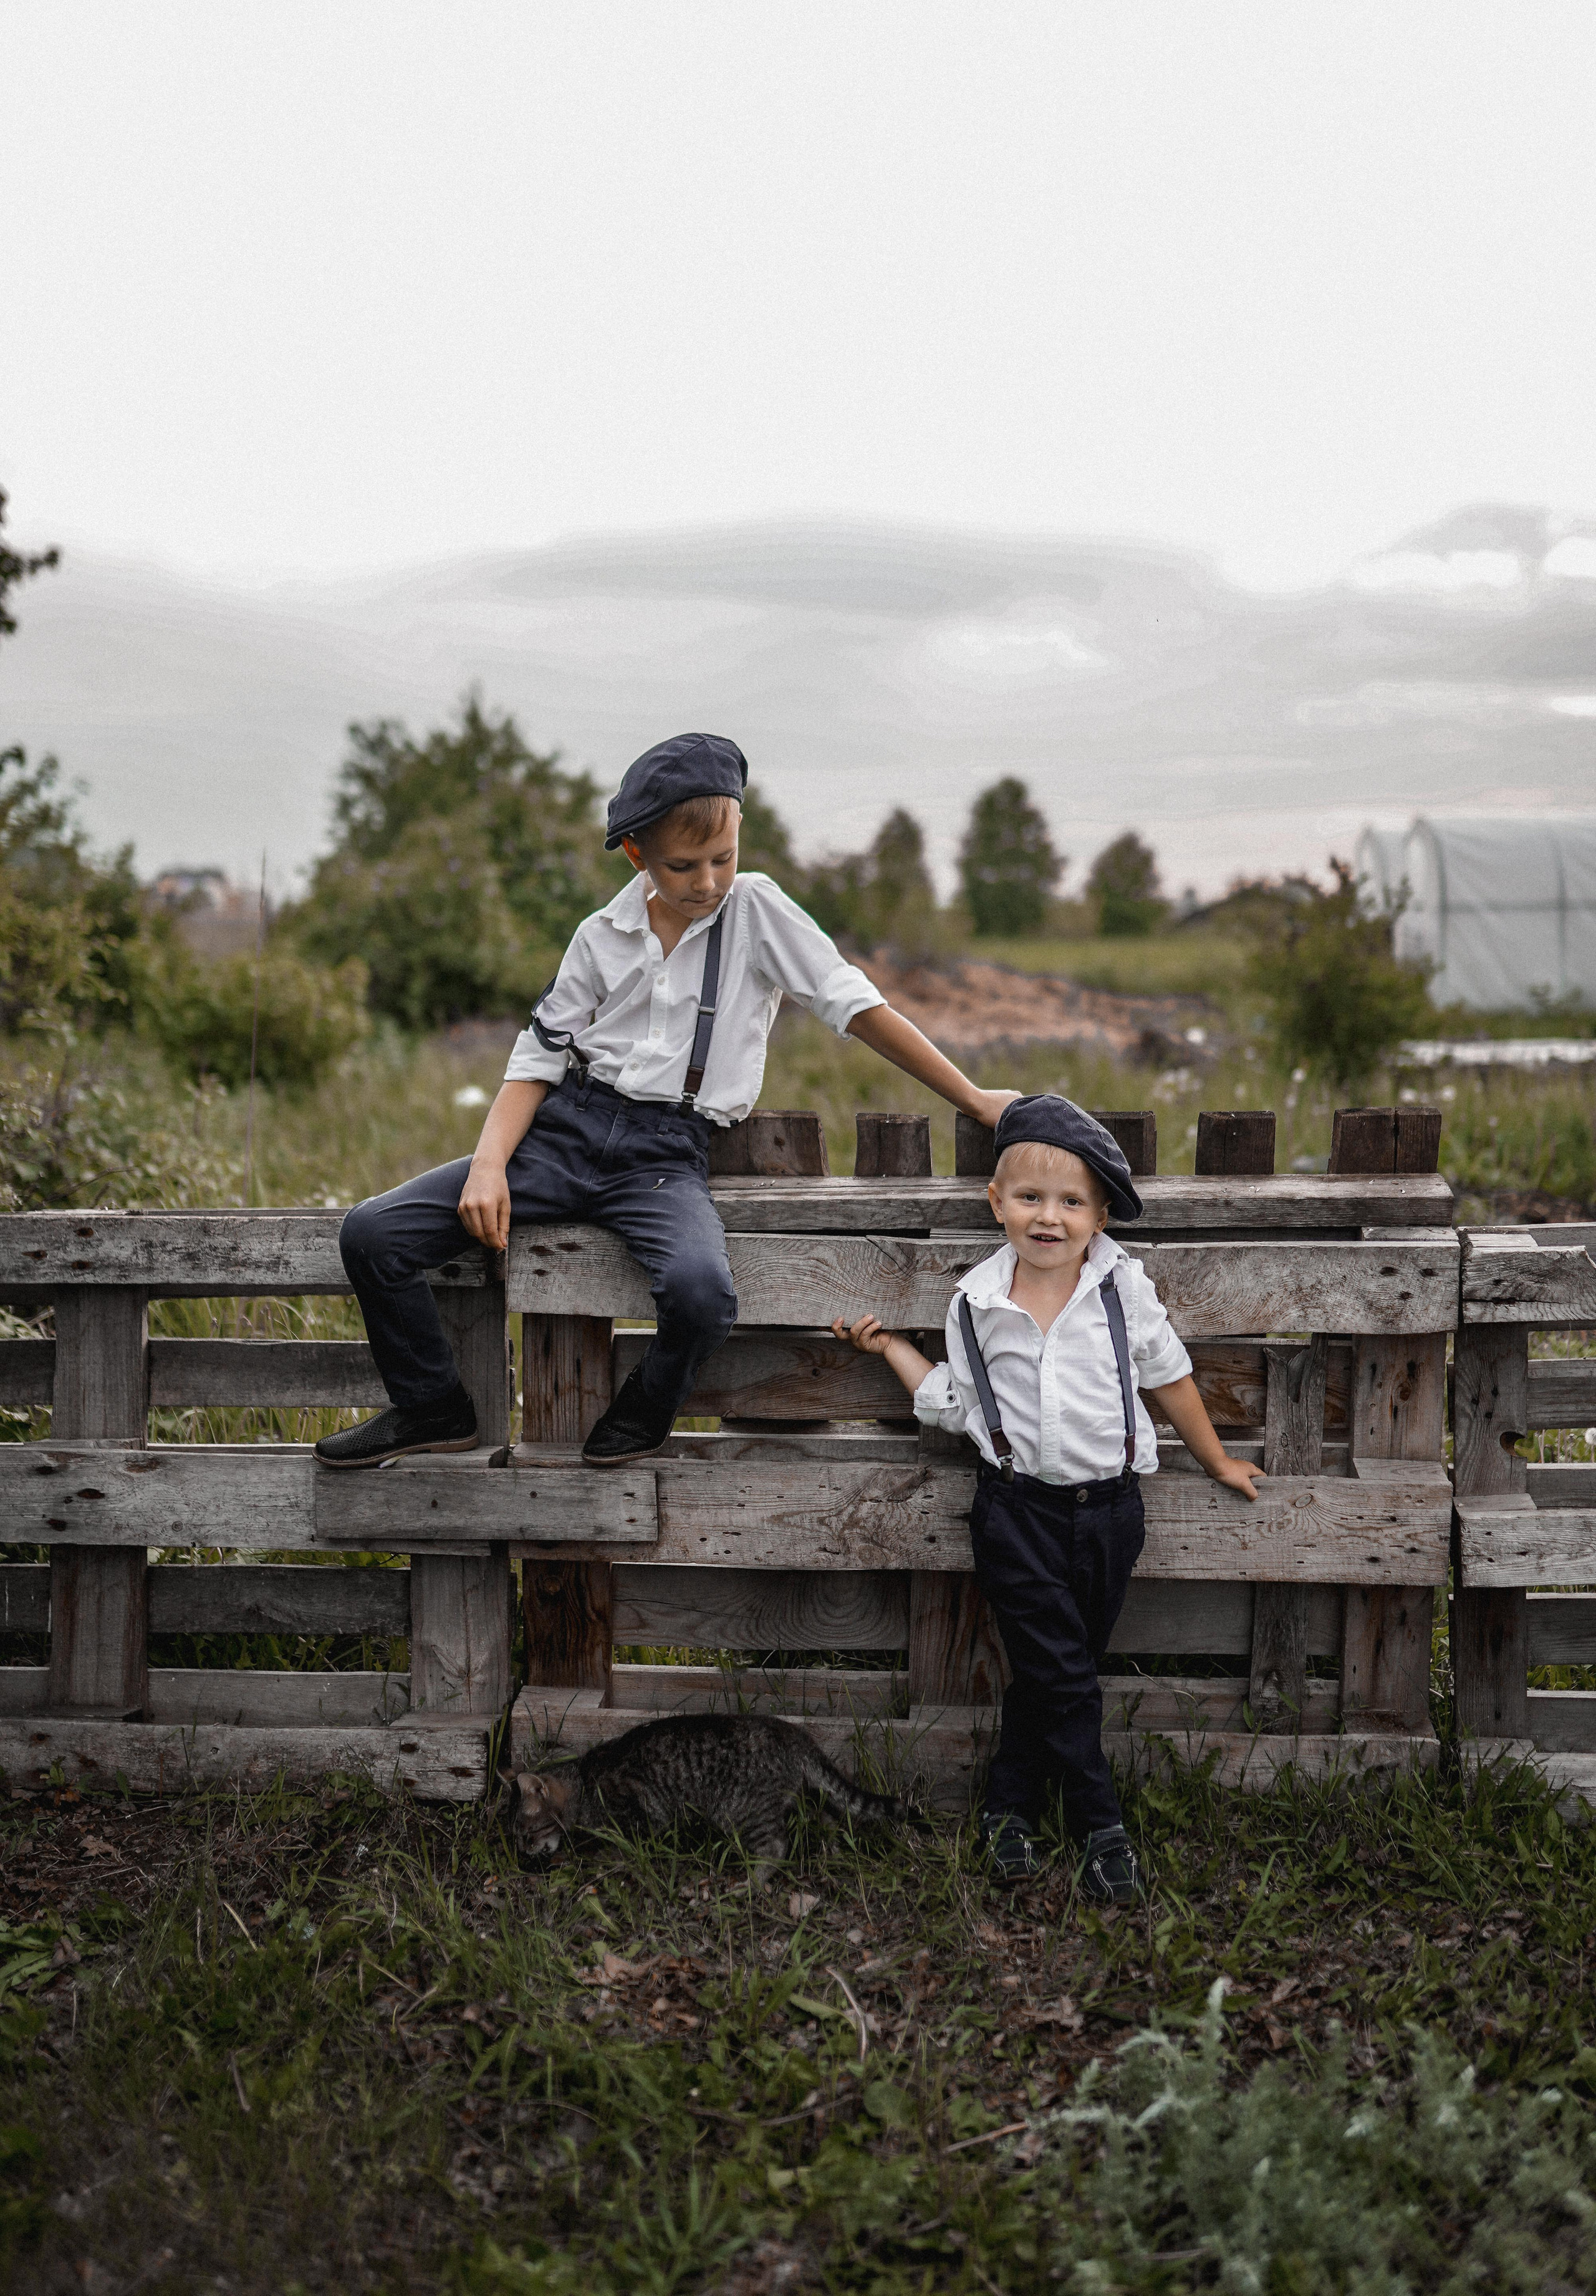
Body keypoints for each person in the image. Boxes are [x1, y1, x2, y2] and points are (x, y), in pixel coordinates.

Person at [316, 731, 1021, 1470]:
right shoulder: (599, 936)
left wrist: (972, 1098)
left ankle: (648, 1407)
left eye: (724, 857)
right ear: (637, 856)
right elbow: (537, 1057)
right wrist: (490, 1163)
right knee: (372, 1234)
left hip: (662, 1156)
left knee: (700, 1293)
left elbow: (856, 1006)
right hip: (563, 1134)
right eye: (683, 866)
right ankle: (433, 1406)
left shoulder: (755, 911)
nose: (708, 881)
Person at [832, 1093, 1262, 1900]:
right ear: (997, 1204)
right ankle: (1102, 1830)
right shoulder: (976, 1304)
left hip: (1110, 1517)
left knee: (1052, 1673)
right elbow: (961, 1406)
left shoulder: (1120, 1291)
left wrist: (1218, 1463)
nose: (1049, 1218)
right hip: (1015, 1514)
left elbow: (1170, 1378)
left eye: (1071, 1202)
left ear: (1100, 1217)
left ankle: (1008, 1810)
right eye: (1030, 1198)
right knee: (1065, 1677)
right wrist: (891, 1347)